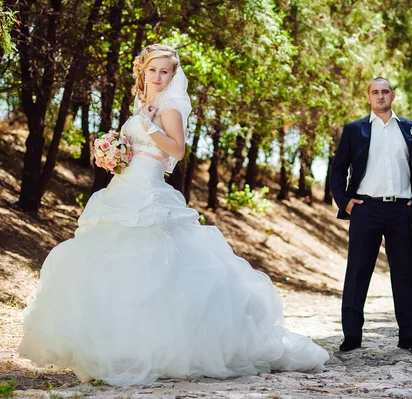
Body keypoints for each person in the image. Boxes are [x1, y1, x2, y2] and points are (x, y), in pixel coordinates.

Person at [19, 44, 329, 386]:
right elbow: (134, 145)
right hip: (123, 189)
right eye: (153, 70)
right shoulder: (143, 103)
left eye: (165, 71)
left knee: (155, 269)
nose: (158, 76)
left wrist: (149, 128)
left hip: (148, 192)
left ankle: (159, 349)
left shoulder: (170, 106)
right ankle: (123, 345)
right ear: (143, 71)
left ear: (172, 74)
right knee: (117, 269)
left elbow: (176, 150)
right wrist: (112, 153)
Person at [330, 77, 412, 354]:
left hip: (402, 209)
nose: (380, 96)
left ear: (393, 95)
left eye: (385, 92)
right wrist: (345, 201)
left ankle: (410, 337)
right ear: (368, 97)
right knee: (357, 272)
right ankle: (352, 336)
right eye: (375, 92)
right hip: (366, 209)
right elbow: (338, 169)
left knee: (405, 274)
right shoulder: (355, 130)